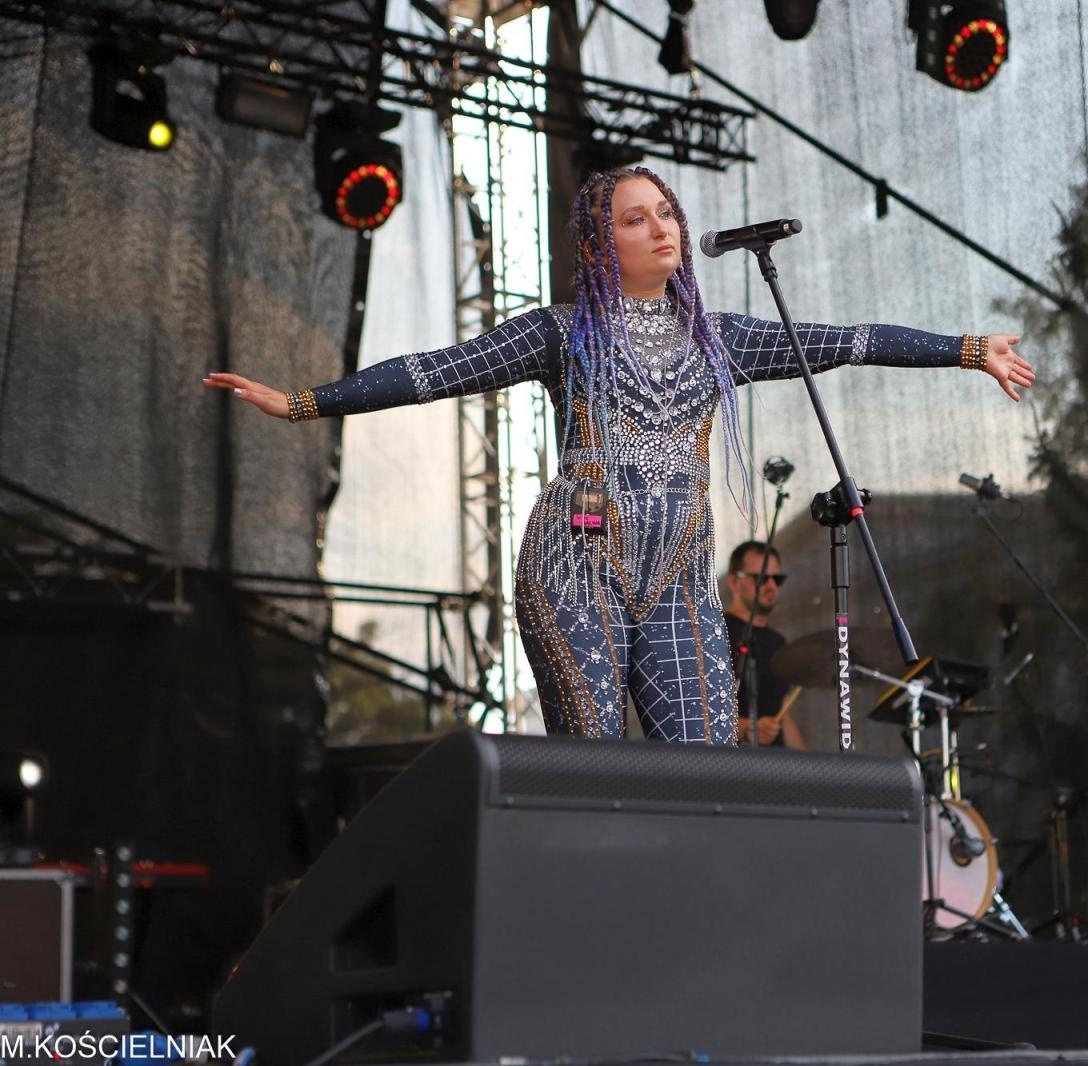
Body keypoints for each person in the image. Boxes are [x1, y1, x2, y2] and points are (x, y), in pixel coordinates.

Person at [203, 166, 1034, 746]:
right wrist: (305, 402)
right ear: (602, 245)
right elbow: (430, 373)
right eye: (636, 217)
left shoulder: (726, 340)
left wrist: (965, 349)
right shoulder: (560, 332)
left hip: (675, 567)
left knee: (703, 755)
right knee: (595, 759)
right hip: (579, 558)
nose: (661, 227)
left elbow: (851, 341)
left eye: (666, 211)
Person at [723, 540, 804, 749]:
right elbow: (698, 710)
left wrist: (811, 770)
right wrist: (746, 728)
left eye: (777, 579)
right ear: (733, 582)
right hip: (730, 767)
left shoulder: (778, 643)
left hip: (776, 769)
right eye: (761, 578)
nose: (770, 586)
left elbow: (783, 714)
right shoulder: (715, 633)